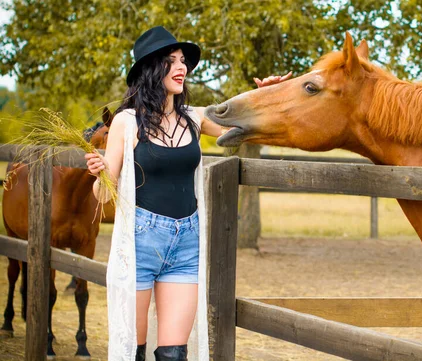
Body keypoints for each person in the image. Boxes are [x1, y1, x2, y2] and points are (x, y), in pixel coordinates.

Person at [85, 26, 290, 361]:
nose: (181, 67)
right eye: (171, 61)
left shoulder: (193, 118)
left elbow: (240, 130)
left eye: (183, 61)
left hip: (186, 243)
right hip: (140, 243)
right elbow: (104, 195)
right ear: (152, 69)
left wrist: (270, 96)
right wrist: (99, 174)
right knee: (132, 349)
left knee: (173, 354)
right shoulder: (127, 122)